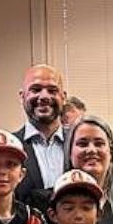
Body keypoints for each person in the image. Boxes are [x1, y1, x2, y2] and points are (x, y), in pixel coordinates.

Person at [13, 64, 68, 199]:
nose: (44, 96)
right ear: (22, 96)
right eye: (36, 89)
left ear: (63, 97)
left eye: (52, 90)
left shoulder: (78, 145)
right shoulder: (9, 147)